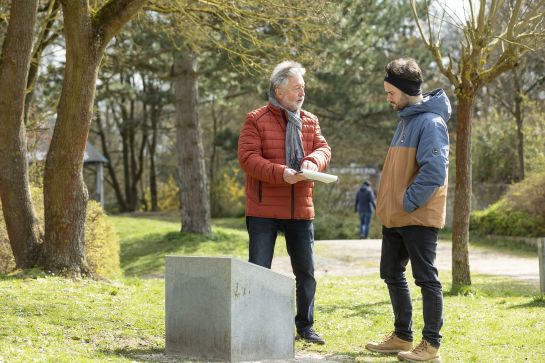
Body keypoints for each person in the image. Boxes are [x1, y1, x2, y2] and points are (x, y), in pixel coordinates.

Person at [237, 61, 331, 345]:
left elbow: (324, 149)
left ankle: (306, 326)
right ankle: (255, 324)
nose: (302, 92)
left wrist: (312, 161)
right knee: (259, 270)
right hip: (264, 209)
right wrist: (282, 173)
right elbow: (248, 159)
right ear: (279, 91)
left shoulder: (310, 121)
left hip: (300, 208)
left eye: (303, 87)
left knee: (306, 272)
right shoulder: (255, 119)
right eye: (296, 88)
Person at [365, 58, 450, 363]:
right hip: (397, 216)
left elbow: (434, 171)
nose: (388, 98)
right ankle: (402, 335)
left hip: (417, 215)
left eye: (390, 92)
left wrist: (407, 201)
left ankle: (431, 346)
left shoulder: (431, 123)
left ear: (404, 90)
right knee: (390, 271)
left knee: (426, 278)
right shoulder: (406, 120)